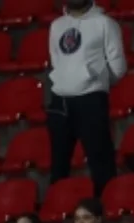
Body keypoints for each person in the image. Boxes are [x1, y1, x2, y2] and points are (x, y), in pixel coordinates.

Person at [47, 0, 126, 193]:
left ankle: (104, 209)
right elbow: (56, 59)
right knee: (58, 163)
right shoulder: (57, 25)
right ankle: (58, 208)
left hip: (91, 99)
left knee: (100, 161)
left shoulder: (105, 23)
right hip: (60, 100)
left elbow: (118, 66)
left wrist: (95, 82)